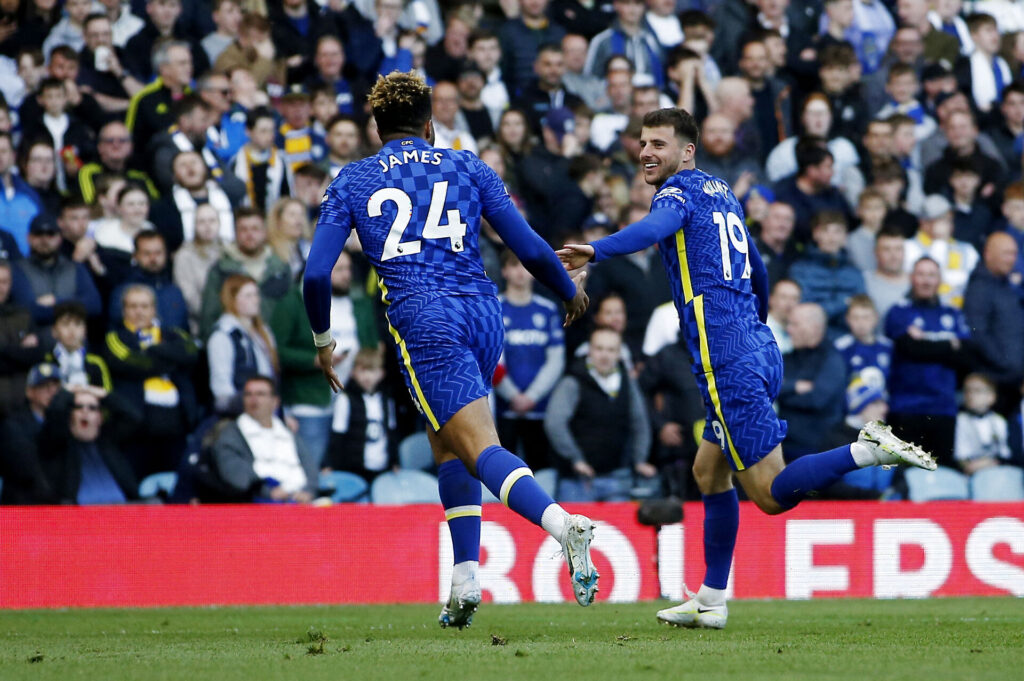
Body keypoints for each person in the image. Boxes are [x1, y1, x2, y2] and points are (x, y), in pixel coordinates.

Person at [558, 107, 936, 630]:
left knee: (769, 494)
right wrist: (752, 326)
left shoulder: (677, 193)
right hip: (757, 344)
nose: (647, 151)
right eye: (643, 142)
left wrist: (596, 250)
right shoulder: (722, 191)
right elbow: (756, 265)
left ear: (686, 151)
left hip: (727, 356)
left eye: (659, 144)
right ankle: (711, 599)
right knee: (708, 470)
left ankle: (867, 448)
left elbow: (657, 226)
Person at [302, 72, 597, 630]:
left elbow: (317, 274)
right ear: (430, 123)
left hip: (423, 315)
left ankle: (562, 525)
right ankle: (464, 580)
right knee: (449, 443)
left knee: (478, 443)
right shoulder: (467, 165)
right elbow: (529, 245)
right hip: (485, 313)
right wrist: (567, 289)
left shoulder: (353, 179)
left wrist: (323, 340)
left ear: (377, 126)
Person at [545, 327, 655, 501]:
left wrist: (639, 459)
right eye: (599, 348)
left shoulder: (627, 382)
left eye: (611, 350)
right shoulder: (573, 380)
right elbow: (554, 423)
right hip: (577, 480)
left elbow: (639, 422)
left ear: (619, 353)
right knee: (573, 528)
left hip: (617, 477)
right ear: (589, 350)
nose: (605, 355)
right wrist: (576, 459)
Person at [885, 256, 969, 469]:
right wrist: (948, 344)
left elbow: (966, 355)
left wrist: (923, 342)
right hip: (906, 407)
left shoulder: (952, 313)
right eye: (921, 274)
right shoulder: (899, 312)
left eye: (931, 275)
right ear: (912, 278)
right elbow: (909, 348)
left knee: (943, 476)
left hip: (944, 408)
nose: (926, 280)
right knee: (906, 477)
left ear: (939, 279)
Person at [496, 251, 565, 471]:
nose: (520, 272)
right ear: (504, 271)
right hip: (503, 409)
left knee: (540, 472)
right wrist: (513, 395)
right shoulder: (494, 308)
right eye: (514, 265)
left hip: (540, 408)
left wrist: (532, 396)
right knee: (502, 473)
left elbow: (556, 360)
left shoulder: (547, 309)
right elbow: (490, 359)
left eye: (525, 265)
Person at [209, 375, 318, 503]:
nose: (254, 399)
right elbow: (236, 475)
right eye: (248, 394)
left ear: (275, 401)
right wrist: (268, 492)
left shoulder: (287, 431)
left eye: (260, 394)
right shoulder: (231, 433)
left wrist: (308, 492)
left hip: (300, 501)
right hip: (258, 504)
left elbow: (309, 466)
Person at [37, 383, 141, 505]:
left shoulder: (108, 440)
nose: (85, 412)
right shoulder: (60, 444)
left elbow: (133, 417)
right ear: (70, 415)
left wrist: (102, 394)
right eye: (78, 407)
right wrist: (67, 392)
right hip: (79, 517)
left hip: (123, 514)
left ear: (100, 417)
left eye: (92, 408)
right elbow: (54, 415)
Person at [207, 274, 278, 416]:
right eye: (248, 296)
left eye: (256, 294)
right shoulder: (223, 335)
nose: (255, 300)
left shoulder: (263, 332)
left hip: (267, 413)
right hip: (240, 414)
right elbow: (222, 388)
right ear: (232, 300)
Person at [325, 347, 399, 482]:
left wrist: (394, 461)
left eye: (372, 371)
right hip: (353, 469)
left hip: (382, 467)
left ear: (381, 373)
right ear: (353, 373)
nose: (367, 376)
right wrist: (330, 464)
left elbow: (391, 432)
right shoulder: (346, 399)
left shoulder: (386, 400)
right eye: (362, 370)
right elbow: (337, 436)